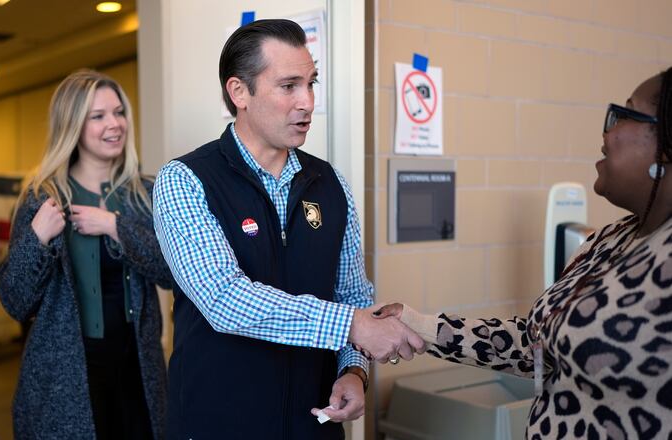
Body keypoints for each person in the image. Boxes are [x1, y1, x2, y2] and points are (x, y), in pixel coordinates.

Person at [152, 19, 424, 440]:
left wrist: (353, 371)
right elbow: (225, 299)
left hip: (311, 423)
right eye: (289, 86)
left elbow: (352, 294)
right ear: (239, 92)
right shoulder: (186, 180)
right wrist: (352, 325)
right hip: (216, 424)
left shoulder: (330, 185)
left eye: (311, 84)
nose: (307, 102)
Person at [375, 68, 672, 439]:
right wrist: (418, 324)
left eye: (625, 114)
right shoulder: (610, 239)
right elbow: (533, 346)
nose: (606, 131)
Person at [0, 70, 172, 440]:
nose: (115, 124)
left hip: (137, 368)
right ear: (73, 125)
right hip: (63, 372)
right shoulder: (42, 196)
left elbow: (171, 273)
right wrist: (37, 239)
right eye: (98, 116)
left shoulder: (145, 193)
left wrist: (115, 226)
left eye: (119, 112)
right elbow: (15, 302)